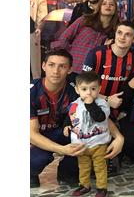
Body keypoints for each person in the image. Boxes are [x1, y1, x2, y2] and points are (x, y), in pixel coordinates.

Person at [30, 49, 124, 188]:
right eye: (51, 65)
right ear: (43, 66)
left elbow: (96, 115)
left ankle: (67, 172)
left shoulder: (75, 89)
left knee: (85, 142)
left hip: (66, 132)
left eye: (62, 66)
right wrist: (62, 150)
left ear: (70, 69)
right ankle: (30, 172)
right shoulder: (30, 92)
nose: (56, 71)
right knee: (36, 159)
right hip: (40, 136)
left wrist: (118, 137)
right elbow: (31, 135)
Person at [82, 21, 134, 164]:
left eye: (128, 35)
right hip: (93, 105)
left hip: (118, 108)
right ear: (115, 34)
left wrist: (125, 110)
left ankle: (116, 155)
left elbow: (132, 88)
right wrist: (106, 99)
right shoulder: (96, 54)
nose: (122, 37)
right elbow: (82, 88)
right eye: (119, 33)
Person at [63, 71, 111, 197]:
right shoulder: (75, 104)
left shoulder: (102, 103)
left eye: (93, 89)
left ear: (99, 89)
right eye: (84, 89)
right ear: (77, 90)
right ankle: (84, 185)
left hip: (98, 142)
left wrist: (90, 104)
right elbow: (71, 116)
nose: (89, 93)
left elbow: (100, 117)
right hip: (80, 143)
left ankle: (102, 187)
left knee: (100, 167)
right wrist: (67, 125)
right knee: (83, 167)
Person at [51, 0, 119, 74]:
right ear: (99, 7)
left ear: (115, 9)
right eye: (104, 4)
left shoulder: (116, 30)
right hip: (74, 66)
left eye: (111, 4)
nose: (108, 6)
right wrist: (70, 52)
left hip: (94, 72)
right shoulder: (85, 20)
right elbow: (64, 38)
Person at [30, 0, 48, 80]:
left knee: (34, 57)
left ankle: (36, 80)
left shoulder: (39, 0)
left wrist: (39, 27)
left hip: (32, 31)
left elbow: (42, 15)